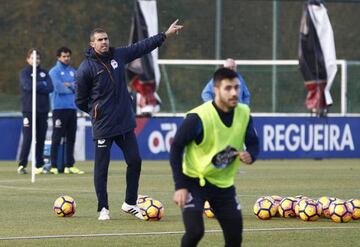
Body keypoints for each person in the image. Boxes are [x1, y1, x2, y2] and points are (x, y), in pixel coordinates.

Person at [75, 20, 183, 220]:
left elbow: (142, 46)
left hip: (124, 122)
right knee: (102, 168)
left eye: (106, 38)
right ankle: (103, 208)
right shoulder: (85, 68)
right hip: (103, 125)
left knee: (135, 161)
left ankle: (130, 203)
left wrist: (165, 35)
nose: (104, 42)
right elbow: (80, 100)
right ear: (92, 44)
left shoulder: (119, 55)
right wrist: (96, 111)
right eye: (100, 40)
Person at [170, 68, 259, 246]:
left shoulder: (244, 113)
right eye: (228, 88)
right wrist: (180, 186)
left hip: (224, 185)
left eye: (237, 87)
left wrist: (251, 155)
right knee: (195, 232)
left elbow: (253, 142)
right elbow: (176, 148)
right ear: (216, 89)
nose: (234, 93)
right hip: (194, 182)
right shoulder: (198, 117)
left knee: (235, 237)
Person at [17, 49, 54, 174]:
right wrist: (40, 84)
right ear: (28, 59)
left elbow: (50, 87)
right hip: (28, 110)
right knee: (27, 138)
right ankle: (22, 165)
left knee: (41, 137)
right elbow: (27, 86)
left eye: (37, 58)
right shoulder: (24, 73)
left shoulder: (44, 72)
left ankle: (39, 164)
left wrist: (37, 84)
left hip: (43, 111)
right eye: (32, 58)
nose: (35, 60)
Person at [48, 47, 84, 175]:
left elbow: (78, 87)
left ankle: (70, 165)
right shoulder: (54, 72)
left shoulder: (73, 71)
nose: (67, 58)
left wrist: (69, 85)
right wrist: (70, 87)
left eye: (68, 56)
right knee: (57, 138)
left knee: (71, 138)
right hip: (59, 109)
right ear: (58, 57)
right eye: (64, 56)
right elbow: (59, 88)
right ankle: (53, 165)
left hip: (71, 108)